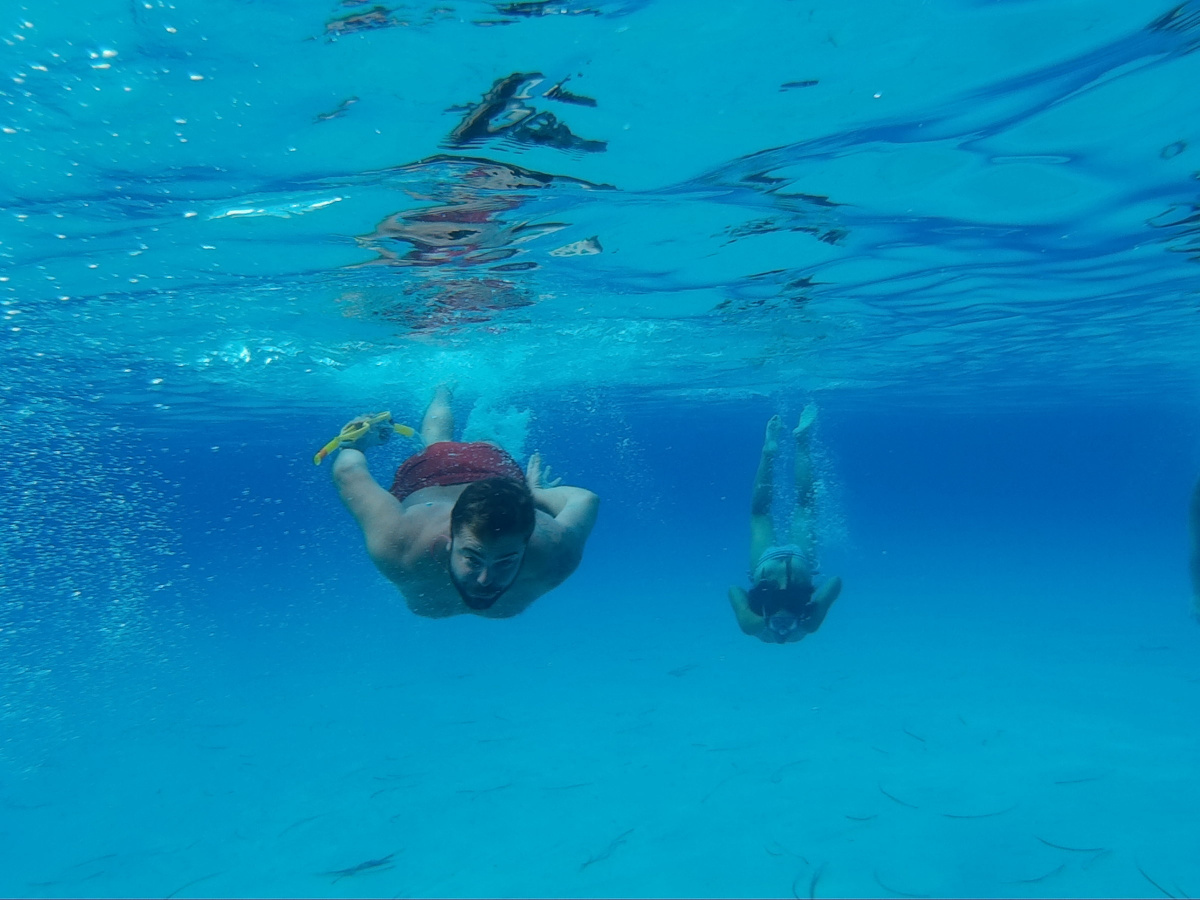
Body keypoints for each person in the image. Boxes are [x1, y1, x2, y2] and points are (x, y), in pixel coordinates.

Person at [331, 384, 599, 618]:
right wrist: (354, 442)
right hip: (434, 474)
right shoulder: (401, 544)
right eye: (472, 559)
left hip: (493, 480)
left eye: (506, 561)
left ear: (526, 547)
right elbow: (348, 473)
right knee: (443, 445)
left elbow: (588, 499)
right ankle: (443, 390)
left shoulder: (555, 556)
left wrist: (534, 494)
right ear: (448, 542)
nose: (485, 580)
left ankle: (445, 393)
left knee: (456, 443)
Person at [728, 405, 842, 644]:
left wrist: (817, 609)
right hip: (765, 568)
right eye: (786, 627)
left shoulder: (807, 624)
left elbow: (835, 582)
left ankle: (801, 440)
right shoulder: (752, 625)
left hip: (799, 563)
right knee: (760, 513)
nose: (782, 632)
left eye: (778, 627)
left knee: (805, 504)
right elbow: (734, 590)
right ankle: (769, 451)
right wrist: (754, 610)